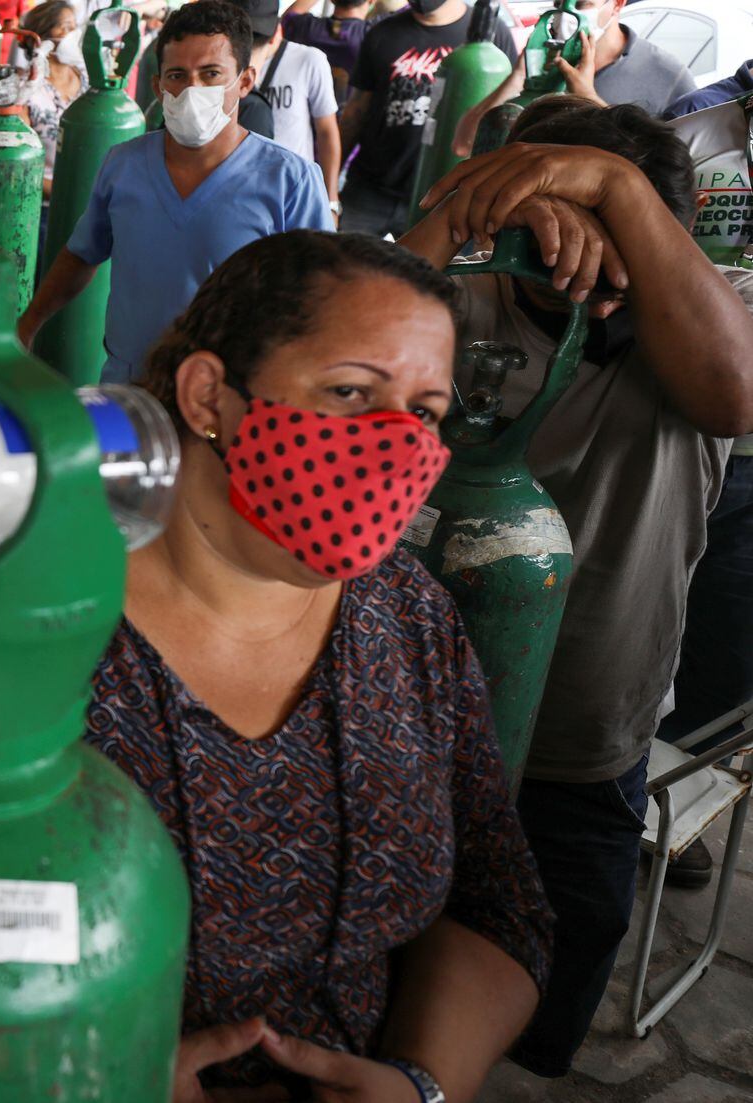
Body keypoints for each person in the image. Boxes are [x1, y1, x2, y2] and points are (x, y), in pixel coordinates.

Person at [0, 230, 554, 1100]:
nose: (393, 446)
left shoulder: (405, 614)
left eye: (425, 412)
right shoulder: (2, 630)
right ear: (210, 395)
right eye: (351, 392)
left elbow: (498, 900)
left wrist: (422, 1083)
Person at [403, 101, 753, 1077]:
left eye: (633, 219)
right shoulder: (462, 296)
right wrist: (462, 214)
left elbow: (734, 390)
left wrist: (615, 188)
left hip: (582, 741)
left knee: (537, 1008)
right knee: (397, 977)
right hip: (414, 714)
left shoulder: (694, 316)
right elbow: (313, 354)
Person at [18, 0, 329, 383]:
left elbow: (317, 296)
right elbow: (81, 254)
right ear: (158, 85)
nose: (191, 90)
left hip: (227, 395)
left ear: (245, 81)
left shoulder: (290, 180)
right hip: (128, 386)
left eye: (211, 74)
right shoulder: (124, 165)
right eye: (177, 76)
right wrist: (27, 325)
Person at [659, 77, 753, 889]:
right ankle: (616, 781)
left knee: (730, 641)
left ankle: (675, 810)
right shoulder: (696, 138)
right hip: (677, 426)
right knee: (649, 605)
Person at [336, 0, 516, 239]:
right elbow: (355, 113)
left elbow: (509, 109)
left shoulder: (494, 36)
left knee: (426, 274)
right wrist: (328, 183)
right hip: (370, 188)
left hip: (443, 196)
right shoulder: (382, 33)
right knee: (346, 268)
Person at [450, 0, 695, 159]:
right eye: (558, 3)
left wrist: (587, 97)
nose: (566, 14)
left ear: (617, 5)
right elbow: (463, 144)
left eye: (581, 4)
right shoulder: (542, 59)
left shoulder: (669, 76)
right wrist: (517, 80)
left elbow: (663, 175)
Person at [244, 0, 341, 210]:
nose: (250, 47)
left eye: (258, 38)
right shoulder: (221, 64)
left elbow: (326, 131)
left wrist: (331, 200)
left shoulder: (309, 60)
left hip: (292, 191)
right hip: (243, 187)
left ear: (277, 32)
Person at [16, 1, 88, 199]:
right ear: (42, 38)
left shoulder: (88, 79)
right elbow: (21, 164)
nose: (75, 34)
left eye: (75, 27)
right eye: (66, 27)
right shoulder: (25, 91)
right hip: (47, 204)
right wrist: (66, 195)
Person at [281, 0, 371, 100]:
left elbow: (288, 17)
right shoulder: (371, 36)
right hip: (350, 114)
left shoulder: (305, 28)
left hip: (301, 112)